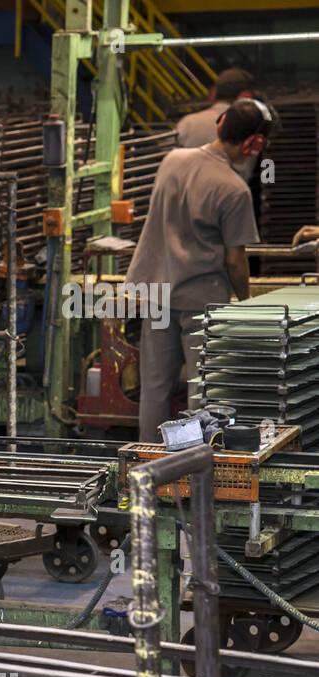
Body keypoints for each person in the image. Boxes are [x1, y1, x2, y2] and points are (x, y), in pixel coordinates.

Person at [128, 98, 272, 442]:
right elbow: (235, 261)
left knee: (155, 389)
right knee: (201, 395)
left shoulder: (172, 161)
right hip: (202, 304)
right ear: (254, 144)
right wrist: (244, 301)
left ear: (220, 125)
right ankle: (195, 473)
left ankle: (150, 471)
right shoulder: (235, 189)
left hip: (157, 294)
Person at [175, 67, 260, 181]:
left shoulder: (187, 123)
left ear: (214, 94)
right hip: (232, 193)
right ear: (246, 96)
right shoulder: (250, 125)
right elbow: (260, 170)